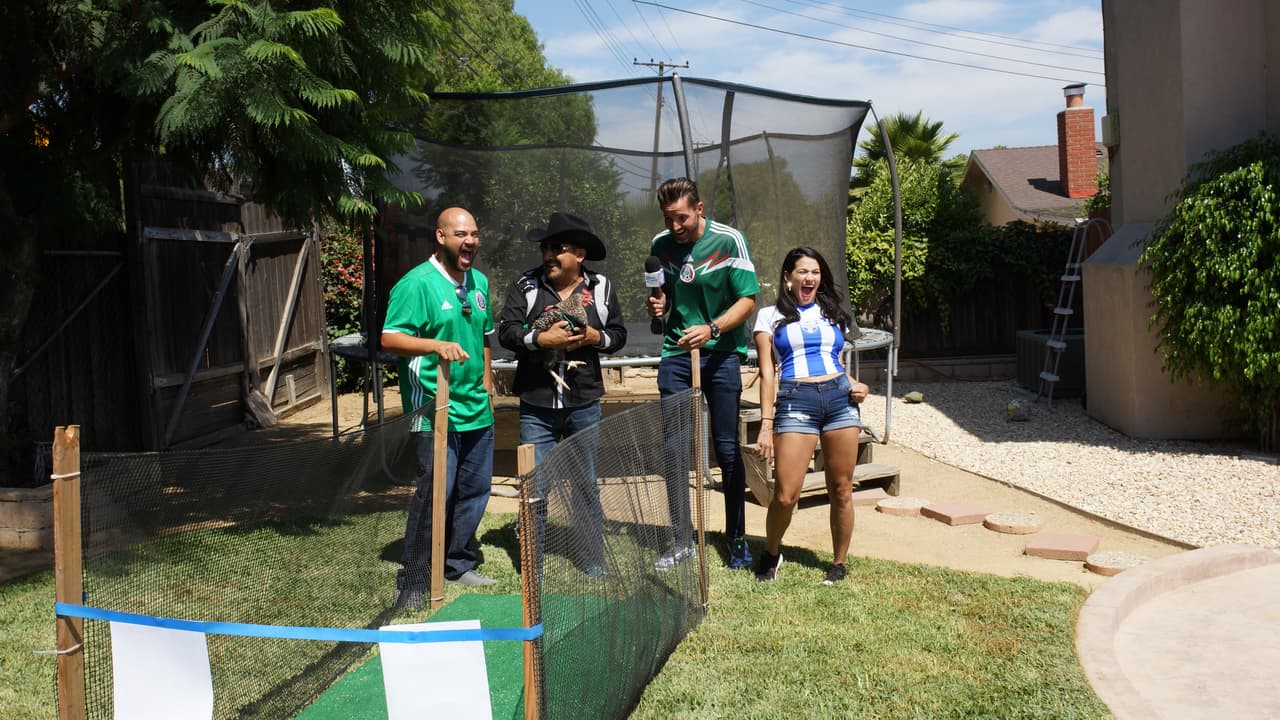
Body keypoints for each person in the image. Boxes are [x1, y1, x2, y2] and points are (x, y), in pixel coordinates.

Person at [497, 212, 627, 575]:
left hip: (584, 401)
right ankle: (532, 560)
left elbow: (618, 336)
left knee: (586, 482)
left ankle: (590, 557)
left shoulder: (601, 287)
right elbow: (506, 332)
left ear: (579, 255)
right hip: (537, 402)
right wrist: (540, 339)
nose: (549, 255)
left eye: (558, 248)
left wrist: (593, 338)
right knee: (535, 483)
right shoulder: (526, 285)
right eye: (546, 248)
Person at [382, 206, 497, 609]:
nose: (470, 241)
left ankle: (457, 561)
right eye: (461, 234)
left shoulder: (479, 281)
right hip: (432, 409)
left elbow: (484, 333)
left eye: (475, 234)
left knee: (475, 490)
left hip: (475, 408)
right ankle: (413, 579)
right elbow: (389, 338)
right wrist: (434, 345)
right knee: (434, 493)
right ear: (441, 237)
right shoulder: (416, 284)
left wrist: (486, 378)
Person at [646, 177, 759, 570]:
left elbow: (748, 300)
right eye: (668, 219)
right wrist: (659, 307)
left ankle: (737, 538)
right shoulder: (660, 246)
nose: (675, 227)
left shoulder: (729, 241)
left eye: (682, 218)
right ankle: (681, 540)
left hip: (722, 354)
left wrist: (712, 329)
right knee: (675, 449)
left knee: (726, 449)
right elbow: (663, 294)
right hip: (677, 353)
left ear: (699, 208)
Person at [751, 247, 870, 585]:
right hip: (795, 400)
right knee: (786, 493)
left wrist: (855, 384)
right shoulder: (768, 316)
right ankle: (772, 552)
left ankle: (838, 562)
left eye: (815, 272)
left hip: (838, 399)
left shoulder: (833, 312)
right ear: (788, 277)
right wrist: (766, 424)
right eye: (802, 272)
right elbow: (768, 372)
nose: (810, 278)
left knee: (841, 487)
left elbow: (836, 361)